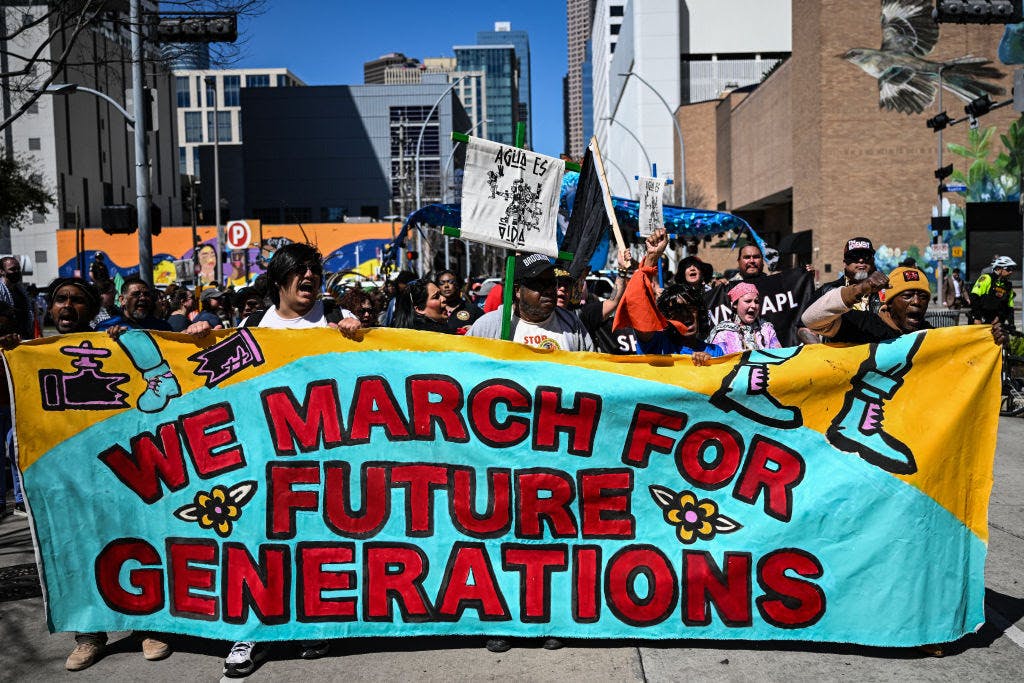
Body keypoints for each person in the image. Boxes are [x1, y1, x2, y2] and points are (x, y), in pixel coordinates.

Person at [208, 243, 360, 677]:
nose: (309, 277)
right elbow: (215, 376)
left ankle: (312, 623)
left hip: (325, 453)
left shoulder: (336, 319)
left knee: (317, 539)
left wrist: (358, 334)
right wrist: (201, 333)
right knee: (260, 542)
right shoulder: (254, 325)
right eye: (300, 270)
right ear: (278, 281)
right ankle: (248, 633)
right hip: (264, 456)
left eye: (314, 270)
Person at [802, 266, 1006, 476]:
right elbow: (811, 320)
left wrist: (989, 342)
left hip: (908, 441)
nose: (916, 302)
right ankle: (857, 425)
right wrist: (860, 289)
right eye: (907, 296)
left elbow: (964, 373)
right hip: (847, 455)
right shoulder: (862, 324)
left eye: (923, 297)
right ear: (890, 302)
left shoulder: (932, 337)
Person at [613, 229, 724, 363]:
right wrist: (651, 258)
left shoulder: (716, 352)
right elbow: (638, 303)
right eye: (677, 311)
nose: (685, 315)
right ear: (666, 318)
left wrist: (711, 364)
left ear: (699, 312)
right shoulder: (657, 344)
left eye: (690, 308)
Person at [467, 253, 594, 352]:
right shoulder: (489, 326)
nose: (549, 290)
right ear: (518, 290)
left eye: (552, 282)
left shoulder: (571, 324)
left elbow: (588, 368)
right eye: (539, 283)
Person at [557, 249, 635, 354]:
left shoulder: (582, 315)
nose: (562, 289)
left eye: (566, 286)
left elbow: (613, 301)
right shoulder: (537, 317)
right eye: (557, 285)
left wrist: (622, 270)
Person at [811, 237, 882, 313]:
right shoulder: (826, 291)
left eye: (866, 256)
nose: (861, 260)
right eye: (855, 256)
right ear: (845, 263)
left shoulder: (884, 291)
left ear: (873, 261)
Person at [93, 278, 172, 332]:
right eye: (136, 294)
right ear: (122, 300)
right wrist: (109, 339)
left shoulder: (163, 327)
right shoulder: (105, 327)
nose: (143, 298)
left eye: (146, 294)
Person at [970, 256, 1016, 327]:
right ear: (998, 269)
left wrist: (1010, 323)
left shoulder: (1008, 285)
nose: (1011, 272)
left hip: (995, 321)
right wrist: (977, 317)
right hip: (979, 318)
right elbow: (974, 297)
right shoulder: (986, 278)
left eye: (1012, 269)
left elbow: (1009, 307)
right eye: (1008, 269)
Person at [437, 270, 483, 334]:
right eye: (442, 283)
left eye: (451, 282)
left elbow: (485, 331)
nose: (446, 285)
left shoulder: (473, 310)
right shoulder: (434, 309)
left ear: (459, 285)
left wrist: (474, 329)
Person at [0, 256, 35, 339]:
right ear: (1, 271)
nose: (16, 271)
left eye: (18, 269)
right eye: (12, 269)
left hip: (24, 337)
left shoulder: (21, 291)